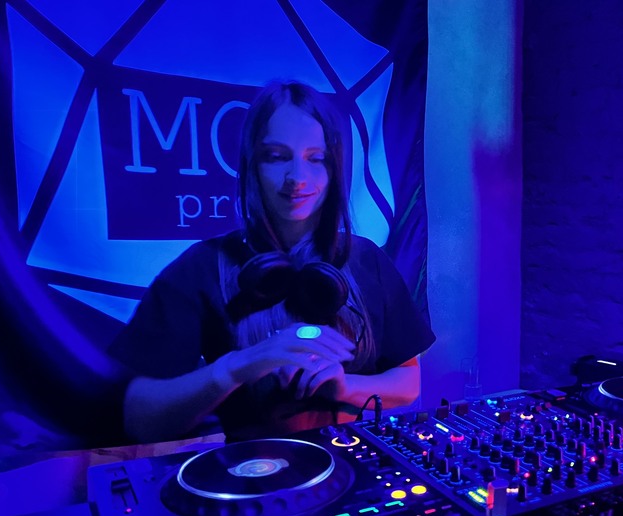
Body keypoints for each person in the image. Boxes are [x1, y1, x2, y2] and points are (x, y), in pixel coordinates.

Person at [108, 81, 435, 444]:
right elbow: (139, 419)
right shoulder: (203, 267)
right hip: (251, 469)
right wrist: (236, 368)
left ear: (334, 168)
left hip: (350, 461)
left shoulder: (367, 259)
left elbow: (408, 383)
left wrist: (344, 386)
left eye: (316, 158)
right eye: (277, 157)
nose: (297, 178)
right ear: (253, 165)